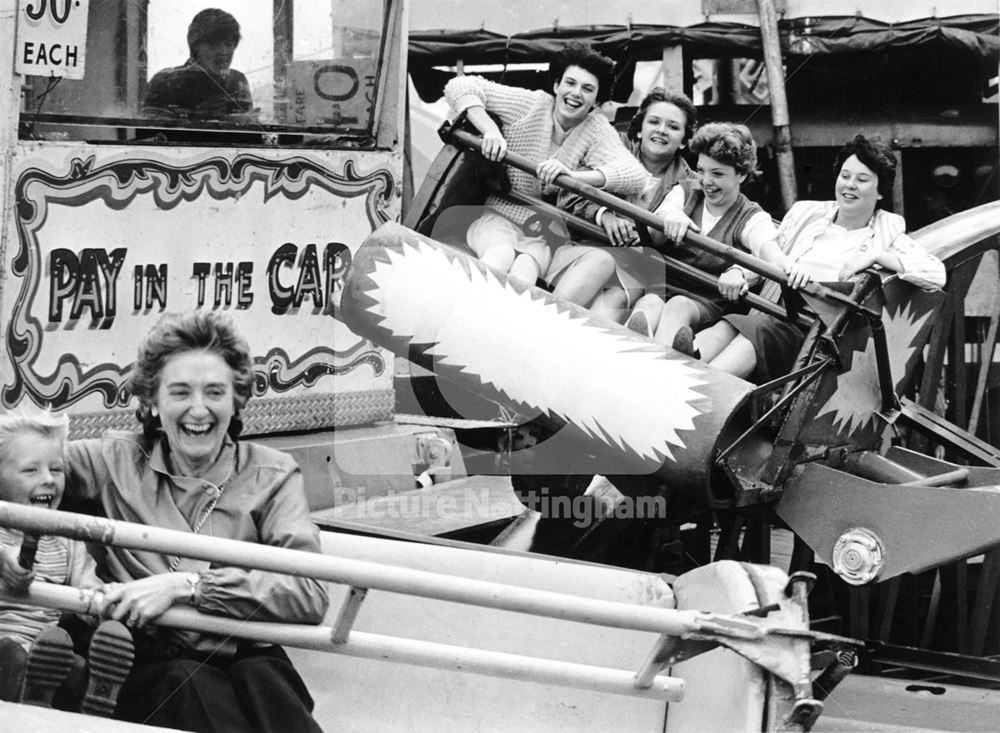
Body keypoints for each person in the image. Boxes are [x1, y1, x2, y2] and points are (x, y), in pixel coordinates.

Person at [65, 311, 330, 732]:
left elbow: (308, 590)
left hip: (240, 652)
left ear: (236, 399)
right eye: (180, 392)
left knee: (264, 680)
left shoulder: (272, 474)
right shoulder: (111, 461)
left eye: (214, 392)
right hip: (146, 657)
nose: (199, 409)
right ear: (153, 401)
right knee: (187, 684)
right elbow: (21, 464)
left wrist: (187, 587)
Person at [695, 135, 946, 381]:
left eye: (862, 179)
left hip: (814, 332)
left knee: (758, 333)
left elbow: (936, 273)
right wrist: (739, 273)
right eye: (845, 176)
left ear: (880, 191)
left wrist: (877, 256)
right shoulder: (808, 213)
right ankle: (687, 361)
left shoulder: (887, 231)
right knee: (727, 326)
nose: (849, 185)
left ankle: (704, 386)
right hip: (775, 308)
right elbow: (770, 252)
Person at [443, 41, 648, 299]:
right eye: (570, 83)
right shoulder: (531, 105)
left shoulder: (595, 128)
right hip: (496, 217)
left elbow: (635, 175)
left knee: (525, 273)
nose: (576, 93)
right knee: (501, 255)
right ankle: (461, 311)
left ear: (596, 101)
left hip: (539, 236)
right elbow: (460, 85)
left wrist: (573, 177)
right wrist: (490, 130)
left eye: (587, 89)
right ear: (556, 86)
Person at [0, 409, 133, 714]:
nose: (48, 480)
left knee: (74, 666)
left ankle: (94, 698)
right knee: (9, 656)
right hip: (4, 648)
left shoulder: (67, 541)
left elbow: (87, 586)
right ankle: (28, 698)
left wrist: (101, 605)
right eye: (30, 471)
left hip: (45, 652)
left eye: (56, 469)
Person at [623, 123, 785, 349]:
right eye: (701, 170)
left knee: (678, 305)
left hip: (706, 301)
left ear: (741, 175)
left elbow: (771, 256)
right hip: (662, 287)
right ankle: (634, 348)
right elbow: (663, 216)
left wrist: (741, 272)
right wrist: (671, 216)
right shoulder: (685, 191)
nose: (706, 181)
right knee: (649, 303)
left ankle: (653, 360)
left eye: (717, 173)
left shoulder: (751, 217)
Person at [554, 88, 699, 318]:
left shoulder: (690, 183)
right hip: (586, 247)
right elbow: (567, 193)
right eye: (654, 122)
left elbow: (689, 242)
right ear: (640, 129)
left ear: (683, 141)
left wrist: (652, 236)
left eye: (673, 127)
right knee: (598, 265)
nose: (662, 131)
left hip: (633, 269)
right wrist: (604, 215)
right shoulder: (614, 146)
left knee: (617, 300)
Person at [143, 8, 254, 119]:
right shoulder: (164, 82)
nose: (223, 51)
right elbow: (153, 131)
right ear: (195, 45)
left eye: (229, 44)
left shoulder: (237, 82)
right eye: (213, 44)